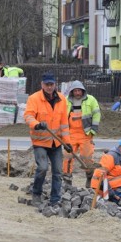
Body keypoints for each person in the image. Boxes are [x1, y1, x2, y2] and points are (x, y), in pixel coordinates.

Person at [24, 72, 73, 207]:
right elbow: (28, 116)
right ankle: (36, 193)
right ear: (42, 85)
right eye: (47, 85)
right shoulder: (34, 99)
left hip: (56, 143)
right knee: (43, 168)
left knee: (58, 171)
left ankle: (55, 199)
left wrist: (67, 143)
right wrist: (37, 124)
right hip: (40, 142)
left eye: (51, 84)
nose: (49, 87)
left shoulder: (62, 100)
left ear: (55, 84)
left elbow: (64, 124)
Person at [62, 80, 101, 188]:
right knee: (67, 157)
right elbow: (62, 116)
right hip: (71, 135)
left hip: (86, 133)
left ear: (82, 90)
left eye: (79, 91)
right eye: (75, 91)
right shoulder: (66, 101)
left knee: (87, 157)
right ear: (72, 92)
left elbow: (97, 114)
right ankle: (67, 180)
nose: (77, 93)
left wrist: (93, 130)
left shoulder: (91, 100)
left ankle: (89, 177)